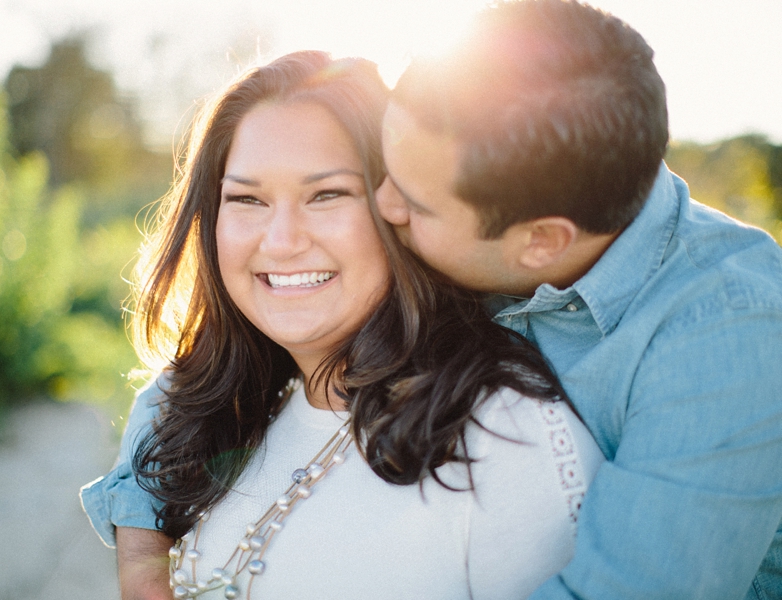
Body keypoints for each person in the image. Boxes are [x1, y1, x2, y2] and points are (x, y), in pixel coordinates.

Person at [81, 50, 604, 600]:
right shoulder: (212, 411)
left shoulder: (504, 433)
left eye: (326, 195)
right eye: (247, 199)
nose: (280, 241)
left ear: (401, 208)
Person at [373, 0, 782, 598]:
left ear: (541, 242)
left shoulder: (730, 330)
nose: (382, 205)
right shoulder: (451, 201)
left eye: (416, 203)